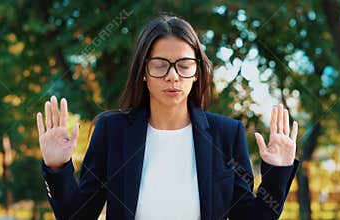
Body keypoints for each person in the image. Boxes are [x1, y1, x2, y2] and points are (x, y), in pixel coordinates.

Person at [36, 14, 300, 220]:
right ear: (143, 71)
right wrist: (57, 168)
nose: (173, 76)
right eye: (160, 65)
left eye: (184, 66)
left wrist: (278, 172)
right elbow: (78, 215)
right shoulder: (112, 130)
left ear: (197, 72)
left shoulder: (226, 134)